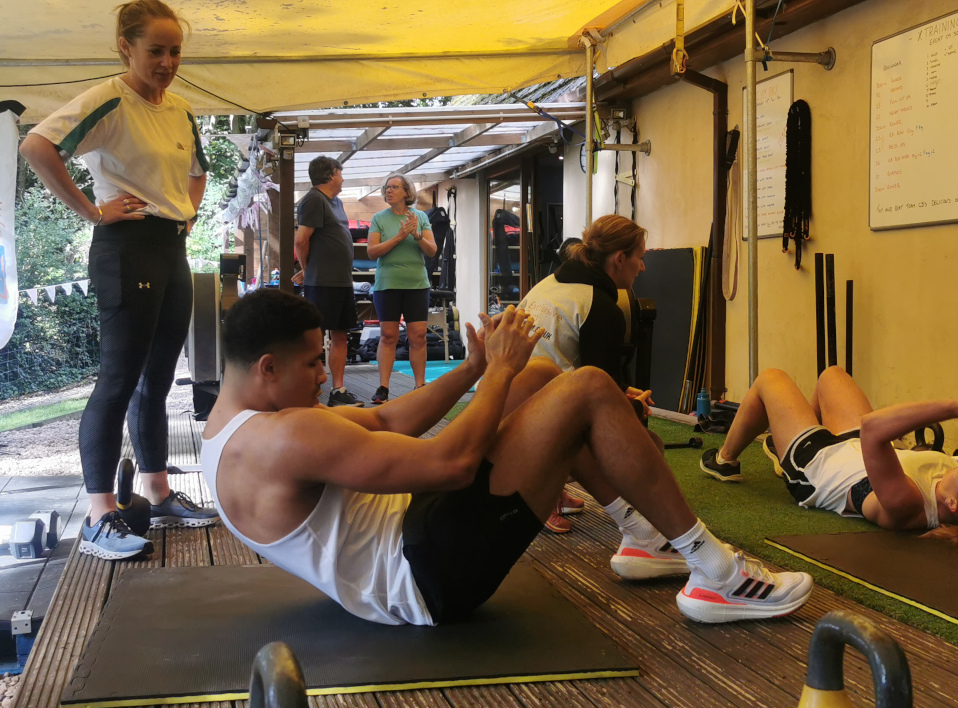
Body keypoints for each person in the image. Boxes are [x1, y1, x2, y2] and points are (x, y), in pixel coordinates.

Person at [202, 289, 814, 626]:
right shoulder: (283, 439)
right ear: (268, 368)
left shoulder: (239, 429)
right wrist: (495, 371)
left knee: (541, 376)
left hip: (420, 536)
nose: (322, 374)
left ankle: (642, 536)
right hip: (426, 579)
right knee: (589, 388)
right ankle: (718, 574)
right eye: (314, 364)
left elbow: (389, 419)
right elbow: (451, 465)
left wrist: (475, 370)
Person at [20, 0, 218, 561]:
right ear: (125, 48)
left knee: (158, 379)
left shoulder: (179, 107)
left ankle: (156, 493)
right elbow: (36, 145)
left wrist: (187, 210)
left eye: (174, 50)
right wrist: (92, 211)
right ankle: (100, 514)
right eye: (155, 50)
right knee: (117, 380)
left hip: (170, 248)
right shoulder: (110, 97)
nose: (166, 61)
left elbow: (197, 174)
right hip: (125, 247)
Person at [701, 366, 958, 549]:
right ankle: (783, 441)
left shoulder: (908, 506)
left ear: (953, 505)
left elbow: (873, 428)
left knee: (771, 379)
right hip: (858, 449)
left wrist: (954, 408)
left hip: (817, 463)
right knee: (831, 376)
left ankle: (725, 459)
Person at [517, 215, 656, 533]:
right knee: (649, 442)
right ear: (620, 259)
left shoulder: (552, 282)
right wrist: (634, 406)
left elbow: (591, 374)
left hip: (505, 405)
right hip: (529, 425)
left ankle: (553, 486)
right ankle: (539, 492)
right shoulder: (602, 308)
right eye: (640, 258)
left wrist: (623, 392)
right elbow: (603, 399)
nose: (643, 268)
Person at [292, 155, 363, 407]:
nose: (343, 178)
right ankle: (307, 391)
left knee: (341, 334)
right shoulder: (313, 199)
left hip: (341, 281)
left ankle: (338, 391)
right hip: (321, 282)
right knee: (314, 337)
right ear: (331, 174)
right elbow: (301, 240)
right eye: (340, 172)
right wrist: (307, 269)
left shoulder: (337, 202)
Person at [367, 175, 437, 405]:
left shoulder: (420, 217)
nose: (389, 191)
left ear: (407, 192)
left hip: (417, 285)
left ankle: (420, 386)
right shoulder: (378, 218)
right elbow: (372, 252)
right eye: (387, 187)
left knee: (418, 337)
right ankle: (383, 388)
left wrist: (416, 235)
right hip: (387, 285)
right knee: (389, 336)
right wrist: (399, 237)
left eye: (395, 187)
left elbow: (432, 251)